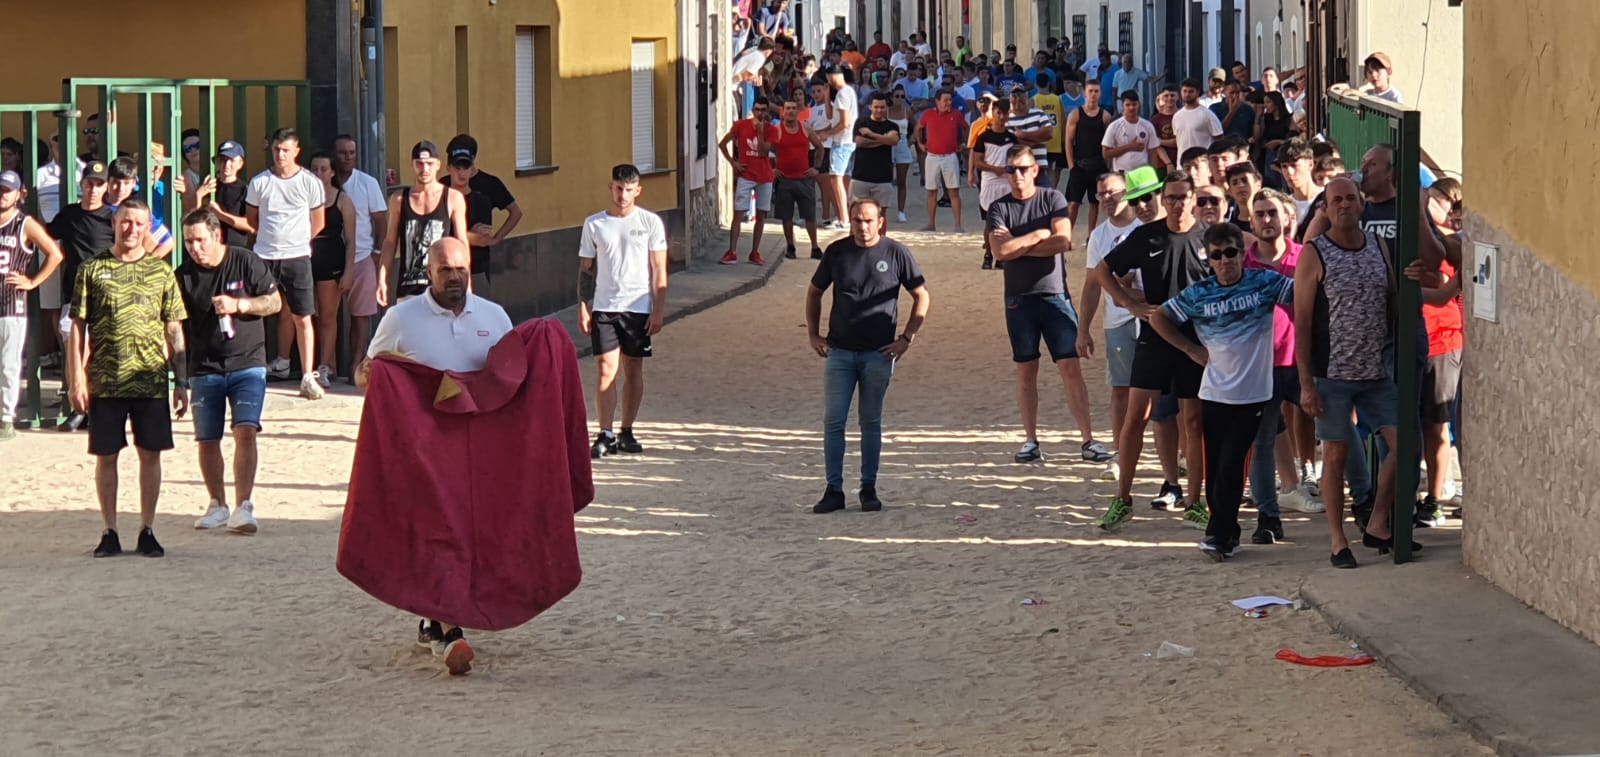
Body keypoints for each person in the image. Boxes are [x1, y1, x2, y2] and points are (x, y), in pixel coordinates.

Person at [349, 237, 543, 677]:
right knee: (440, 533)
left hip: (479, 455)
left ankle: (432, 618)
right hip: (424, 451)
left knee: (472, 537)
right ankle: (451, 631)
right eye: (445, 271)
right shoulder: (401, 319)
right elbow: (367, 373)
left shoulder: (494, 317)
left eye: (460, 269)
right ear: (428, 272)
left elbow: (511, 380)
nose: (455, 277)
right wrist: (374, 375)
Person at [1146, 222, 1292, 560]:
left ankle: (1219, 533)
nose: (1225, 261)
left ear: (1242, 254)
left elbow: (1306, 292)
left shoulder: (1265, 282)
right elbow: (1159, 319)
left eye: (1231, 253)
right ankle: (1225, 533)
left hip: (1254, 394)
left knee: (1231, 465)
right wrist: (1191, 350)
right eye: (1217, 255)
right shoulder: (1199, 293)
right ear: (1208, 259)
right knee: (1215, 468)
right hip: (1213, 393)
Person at [1295, 177, 1413, 569]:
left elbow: (1393, 300)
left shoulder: (1377, 246)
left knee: (1405, 445)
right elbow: (1303, 321)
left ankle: (1378, 521)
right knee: (1336, 456)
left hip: (1376, 371)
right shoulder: (1315, 253)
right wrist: (1307, 383)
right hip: (1332, 374)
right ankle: (1337, 540)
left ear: (1361, 204)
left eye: (1350, 198)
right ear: (1325, 209)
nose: (1344, 205)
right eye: (1336, 200)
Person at [68, 199, 189, 558]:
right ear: (114, 223)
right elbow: (77, 325)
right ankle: (109, 530)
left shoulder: (161, 272)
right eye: (125, 222)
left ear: (148, 228)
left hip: (150, 379)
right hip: (105, 379)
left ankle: (147, 529)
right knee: (106, 456)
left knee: (150, 454)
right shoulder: (91, 269)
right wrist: (76, 377)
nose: (132, 229)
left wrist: (180, 381)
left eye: (139, 223)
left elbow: (174, 328)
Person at [1093, 170, 1211, 531]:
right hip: (1154, 338)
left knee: (1193, 421)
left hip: (1195, 342)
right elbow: (1102, 271)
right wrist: (1129, 303)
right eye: (1171, 197)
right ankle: (1122, 498)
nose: (1176, 203)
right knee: (1135, 419)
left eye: (1182, 197)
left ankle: (1194, 501)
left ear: (1194, 199)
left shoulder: (1208, 237)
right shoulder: (1147, 235)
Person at [987, 145, 1112, 465]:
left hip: (1054, 294)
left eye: (1023, 168)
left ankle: (1087, 438)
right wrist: (1036, 236)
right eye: (1012, 169)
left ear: (1035, 170)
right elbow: (1000, 253)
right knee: (1026, 369)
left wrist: (1018, 243)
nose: (1017, 175)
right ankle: (1031, 440)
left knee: (1070, 366)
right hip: (1018, 298)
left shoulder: (1051, 199)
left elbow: (1063, 241)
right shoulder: (999, 208)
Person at [806, 198, 930, 513]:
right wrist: (813, 333)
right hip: (840, 352)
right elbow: (815, 291)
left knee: (870, 422)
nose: (863, 227)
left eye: (868, 221)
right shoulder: (837, 252)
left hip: (879, 353)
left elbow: (921, 295)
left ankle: (868, 488)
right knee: (834, 421)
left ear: (880, 222)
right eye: (857, 221)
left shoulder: (896, 253)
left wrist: (906, 338)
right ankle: (833, 489)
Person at [176, 210, 283, 534]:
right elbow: (176, 330)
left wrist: (242, 305)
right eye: (189, 242)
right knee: (207, 438)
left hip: (247, 362)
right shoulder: (183, 276)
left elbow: (275, 302)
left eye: (200, 240)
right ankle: (217, 503)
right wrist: (179, 379)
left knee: (245, 430)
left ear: (216, 236)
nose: (195, 248)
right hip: (204, 366)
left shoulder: (245, 261)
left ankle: (244, 505)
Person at [1242, 189, 1322, 543]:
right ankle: (1267, 517)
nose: (1266, 219)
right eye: (1259, 214)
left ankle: (1362, 505)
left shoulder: (1308, 257)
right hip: (1261, 366)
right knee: (1261, 443)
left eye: (1272, 212)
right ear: (1251, 221)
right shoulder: (1240, 262)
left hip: (1306, 360)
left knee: (1337, 433)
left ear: (1288, 218)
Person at [578, 164, 669, 459]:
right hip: (605, 306)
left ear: (638, 191)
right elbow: (585, 270)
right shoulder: (594, 224)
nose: (623, 194)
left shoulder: (650, 222)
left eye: (629, 189)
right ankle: (605, 432)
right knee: (606, 368)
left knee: (633, 368)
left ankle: (626, 429)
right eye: (619, 188)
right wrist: (583, 306)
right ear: (610, 187)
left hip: (638, 307)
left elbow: (659, 268)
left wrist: (658, 309)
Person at [246, 128, 326, 400]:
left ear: (296, 151)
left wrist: (297, 240)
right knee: (253, 313)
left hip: (298, 257)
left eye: (286, 150)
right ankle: (251, 370)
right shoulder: (260, 182)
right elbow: (252, 220)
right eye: (277, 149)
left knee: (302, 316)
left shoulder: (310, 182)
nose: (280, 155)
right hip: (265, 256)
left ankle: (306, 375)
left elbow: (319, 222)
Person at [1412, 177, 1465, 525]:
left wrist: (1441, 284)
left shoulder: (1449, 245)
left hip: (1443, 340)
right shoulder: (1406, 242)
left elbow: (1451, 289)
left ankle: (1433, 498)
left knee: (1436, 425)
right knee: (1407, 425)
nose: (1431, 205)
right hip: (1411, 339)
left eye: (1436, 200)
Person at [0, 170, 65, 440]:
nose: (2, 195)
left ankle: (5, 418)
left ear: (19, 193)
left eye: (7, 190)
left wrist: (33, 281)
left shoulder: (24, 223)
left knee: (8, 363)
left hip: (10, 304)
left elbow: (55, 253)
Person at [377, 141, 470, 305]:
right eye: (419, 163)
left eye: (429, 164)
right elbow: (390, 242)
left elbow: (462, 242)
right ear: (412, 165)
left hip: (442, 287)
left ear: (438, 165)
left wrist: (466, 282)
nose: (424, 169)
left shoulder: (452, 198)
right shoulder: (399, 199)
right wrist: (382, 278)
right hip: (409, 288)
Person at [331, 134, 388, 369]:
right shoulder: (324, 180)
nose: (347, 157)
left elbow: (381, 221)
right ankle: (328, 366)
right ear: (334, 154)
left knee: (361, 316)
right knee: (325, 317)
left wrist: (377, 252)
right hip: (329, 259)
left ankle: (356, 365)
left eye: (352, 153)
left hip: (363, 256)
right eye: (343, 152)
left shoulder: (367, 183)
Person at [443, 134, 522, 297]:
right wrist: (467, 236)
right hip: (446, 264)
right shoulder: (441, 187)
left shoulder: (487, 188)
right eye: (456, 166)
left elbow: (515, 213)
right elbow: (437, 230)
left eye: (465, 166)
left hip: (477, 266)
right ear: (449, 166)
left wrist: (497, 238)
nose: (461, 172)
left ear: (472, 162)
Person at [308, 153, 358, 385]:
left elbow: (350, 240)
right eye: (314, 169)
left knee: (328, 317)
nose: (319, 174)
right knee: (307, 315)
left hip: (332, 261)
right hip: (306, 259)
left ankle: (325, 366)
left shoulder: (343, 200)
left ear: (332, 172)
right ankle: (305, 364)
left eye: (323, 169)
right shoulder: (303, 197)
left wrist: (349, 271)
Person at [719, 96, 780, 265]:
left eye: (763, 110)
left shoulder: (772, 130)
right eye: (757, 109)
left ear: (767, 112)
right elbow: (723, 144)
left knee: (761, 215)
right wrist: (734, 163)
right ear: (753, 110)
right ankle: (732, 251)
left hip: (765, 176)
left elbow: (762, 152)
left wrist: (760, 132)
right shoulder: (740, 126)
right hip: (746, 175)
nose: (760, 113)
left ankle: (755, 252)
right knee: (738, 213)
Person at [772, 95, 824, 260]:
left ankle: (814, 247)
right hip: (784, 179)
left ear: (798, 111)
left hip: (804, 178)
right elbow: (764, 150)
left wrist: (816, 169)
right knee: (786, 215)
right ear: (783, 111)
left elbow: (820, 147)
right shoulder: (777, 130)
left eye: (794, 108)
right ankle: (790, 246)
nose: (791, 111)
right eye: (788, 108)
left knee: (810, 215)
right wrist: (771, 168)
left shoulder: (805, 128)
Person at [972, 98, 1019, 270]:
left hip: (1006, 181)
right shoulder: (983, 137)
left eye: (1004, 113)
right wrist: (995, 169)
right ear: (993, 113)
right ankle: (988, 254)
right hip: (990, 181)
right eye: (998, 113)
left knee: (1006, 222)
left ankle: (1002, 255)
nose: (1001, 116)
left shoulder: (1012, 138)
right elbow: (978, 161)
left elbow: (1017, 159)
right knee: (989, 222)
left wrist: (1009, 170)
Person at [914, 89, 966, 232]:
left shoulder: (956, 114)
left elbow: (966, 127)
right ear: (937, 101)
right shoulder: (928, 114)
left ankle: (958, 224)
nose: (948, 103)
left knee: (953, 191)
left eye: (950, 100)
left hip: (950, 156)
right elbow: (919, 127)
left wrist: (963, 143)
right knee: (931, 191)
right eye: (945, 100)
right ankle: (931, 224)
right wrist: (920, 143)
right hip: (932, 156)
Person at [1063, 80, 1111, 233]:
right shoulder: (1076, 114)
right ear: (1084, 92)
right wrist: (1071, 166)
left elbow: (1109, 143)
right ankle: (1067, 236)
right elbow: (1069, 141)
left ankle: (1091, 235)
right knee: (1073, 203)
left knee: (1094, 203)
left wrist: (1107, 166)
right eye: (1090, 91)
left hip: (1097, 166)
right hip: (1079, 166)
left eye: (1096, 91)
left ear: (1100, 93)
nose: (1093, 95)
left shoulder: (1105, 116)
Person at [849, 92, 903, 219]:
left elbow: (893, 141)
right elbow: (860, 142)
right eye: (876, 107)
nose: (879, 110)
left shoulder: (892, 125)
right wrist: (884, 140)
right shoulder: (861, 122)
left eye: (882, 107)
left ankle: (881, 239)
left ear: (886, 107)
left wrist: (871, 135)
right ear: (870, 107)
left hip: (883, 178)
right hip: (861, 176)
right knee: (856, 215)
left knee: (880, 216)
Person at [189, 141, 254, 247]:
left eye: (231, 160)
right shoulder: (209, 186)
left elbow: (251, 226)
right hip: (210, 247)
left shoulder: (245, 189)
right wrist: (199, 195)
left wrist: (220, 215)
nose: (227, 164)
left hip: (235, 250)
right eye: (223, 160)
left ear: (240, 163)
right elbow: (193, 220)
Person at [1102, 90, 1164, 172]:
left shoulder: (1147, 125)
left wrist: (1153, 174)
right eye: (1127, 105)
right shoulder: (1114, 126)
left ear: (1138, 105)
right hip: (1122, 174)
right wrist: (1130, 147)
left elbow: (1153, 153)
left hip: (1143, 175)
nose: (1131, 108)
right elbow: (1106, 154)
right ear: (1122, 106)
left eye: (1134, 104)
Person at [885, 87, 917, 223]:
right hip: (887, 143)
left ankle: (901, 211)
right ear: (892, 98)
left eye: (902, 96)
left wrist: (912, 139)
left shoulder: (907, 111)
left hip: (902, 142)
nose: (899, 99)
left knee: (901, 181)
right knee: (884, 181)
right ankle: (882, 209)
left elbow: (917, 125)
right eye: (897, 96)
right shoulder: (886, 111)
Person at [1172, 78, 1224, 160]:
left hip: (1203, 164)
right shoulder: (1176, 116)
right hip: (1182, 165)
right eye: (1184, 91)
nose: (1187, 94)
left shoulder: (1208, 114)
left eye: (1191, 91)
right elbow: (1178, 140)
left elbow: (1219, 139)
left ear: (1197, 92)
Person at [731, 39, 775, 119]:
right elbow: (746, 75)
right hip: (733, 87)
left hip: (735, 86)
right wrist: (755, 78)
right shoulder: (760, 58)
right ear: (768, 51)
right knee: (737, 116)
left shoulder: (753, 52)